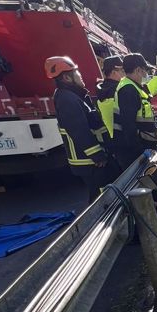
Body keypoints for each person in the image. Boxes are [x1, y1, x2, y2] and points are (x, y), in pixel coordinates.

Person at [46, 55, 111, 203]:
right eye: (76, 73)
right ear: (67, 78)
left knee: (101, 194)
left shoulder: (73, 95)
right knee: (101, 198)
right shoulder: (67, 99)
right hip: (87, 161)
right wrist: (97, 155)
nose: (80, 76)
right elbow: (79, 130)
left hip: (88, 160)